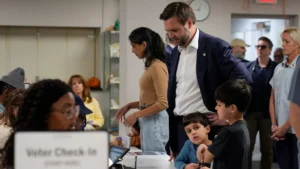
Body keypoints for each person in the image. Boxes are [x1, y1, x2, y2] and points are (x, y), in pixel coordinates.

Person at [159, 1, 252, 157]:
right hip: (181, 127)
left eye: (175, 30)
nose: (170, 36)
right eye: (167, 31)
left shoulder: (215, 47)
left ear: (189, 23)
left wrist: (228, 116)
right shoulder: (176, 52)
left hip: (205, 127)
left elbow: (244, 79)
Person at [1, 79, 78, 168]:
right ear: (43, 115)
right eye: (68, 112)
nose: (75, 117)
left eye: (75, 110)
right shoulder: (23, 160)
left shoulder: (77, 154)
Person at [115, 27, 169, 152]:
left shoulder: (157, 67)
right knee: (148, 159)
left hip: (155, 121)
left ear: (144, 45)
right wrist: (130, 105)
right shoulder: (151, 66)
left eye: (134, 46)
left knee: (153, 161)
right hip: (149, 120)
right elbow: (151, 99)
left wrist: (135, 115)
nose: (132, 50)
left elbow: (162, 103)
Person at [196, 79, 251, 169]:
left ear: (232, 108)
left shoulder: (228, 131)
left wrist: (201, 146)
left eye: (219, 105)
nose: (216, 108)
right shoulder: (243, 127)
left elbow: (206, 158)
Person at [270, 27, 300, 169]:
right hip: (279, 131)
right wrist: (274, 125)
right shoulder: (278, 68)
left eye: (287, 41)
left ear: (298, 44)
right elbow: (272, 98)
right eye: (283, 41)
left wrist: (285, 126)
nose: (283, 44)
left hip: (296, 131)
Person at [245, 37, 277, 169]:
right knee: (248, 147)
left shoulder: (276, 68)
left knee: (267, 149)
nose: (259, 49)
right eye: (257, 47)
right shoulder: (248, 66)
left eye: (263, 47)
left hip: (267, 114)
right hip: (250, 112)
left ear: (270, 50)